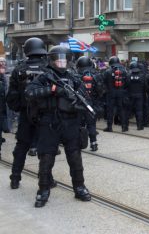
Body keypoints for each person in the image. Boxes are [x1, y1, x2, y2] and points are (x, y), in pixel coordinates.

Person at [25, 45, 91, 207]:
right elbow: (29, 93)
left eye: (64, 60)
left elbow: (86, 98)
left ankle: (79, 187)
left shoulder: (74, 78)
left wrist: (77, 103)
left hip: (71, 123)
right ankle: (43, 190)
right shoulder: (44, 77)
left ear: (69, 61)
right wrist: (53, 89)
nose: (61, 63)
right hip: (49, 123)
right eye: (58, 60)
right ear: (52, 60)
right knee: (46, 158)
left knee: (75, 158)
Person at [6, 38, 49, 189]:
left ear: (27, 50)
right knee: (45, 149)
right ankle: (46, 180)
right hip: (45, 115)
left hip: (26, 114)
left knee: (21, 146)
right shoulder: (48, 68)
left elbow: (11, 95)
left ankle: (15, 178)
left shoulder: (19, 69)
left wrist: (20, 108)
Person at [76, 56, 104, 151]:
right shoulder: (96, 75)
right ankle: (94, 143)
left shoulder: (75, 74)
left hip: (79, 103)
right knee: (91, 124)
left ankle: (80, 143)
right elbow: (101, 91)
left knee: (79, 124)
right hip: (92, 104)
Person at [103, 56, 129, 132]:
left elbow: (104, 82)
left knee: (110, 110)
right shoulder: (124, 70)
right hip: (121, 93)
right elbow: (127, 82)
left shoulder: (108, 71)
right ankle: (124, 127)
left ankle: (109, 127)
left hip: (110, 93)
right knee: (122, 110)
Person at [127, 62, 146, 131]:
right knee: (139, 111)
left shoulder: (128, 75)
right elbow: (145, 86)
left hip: (130, 95)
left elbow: (126, 86)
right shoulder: (142, 76)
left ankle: (125, 126)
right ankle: (139, 126)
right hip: (139, 95)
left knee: (128, 111)